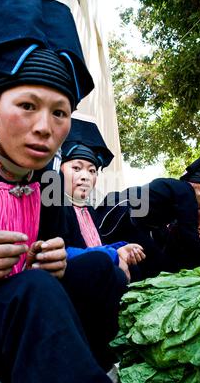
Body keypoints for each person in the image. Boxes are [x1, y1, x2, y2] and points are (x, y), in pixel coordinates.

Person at [0, 0, 131, 383]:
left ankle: (94, 374)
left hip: (29, 314)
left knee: (101, 273)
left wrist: (59, 258)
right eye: (27, 106)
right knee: (34, 292)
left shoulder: (49, 182)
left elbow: (56, 257)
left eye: (60, 113)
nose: (45, 127)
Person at [96, 146, 200, 278]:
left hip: (136, 220)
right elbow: (189, 236)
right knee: (157, 266)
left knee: (162, 263)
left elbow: (175, 239)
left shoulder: (178, 191)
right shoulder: (187, 193)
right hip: (122, 216)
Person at [59, 112, 145, 282]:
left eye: (92, 171)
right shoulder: (55, 206)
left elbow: (94, 247)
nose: (86, 177)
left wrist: (121, 248)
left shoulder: (88, 210)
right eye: (76, 168)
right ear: (59, 170)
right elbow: (63, 251)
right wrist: (112, 254)